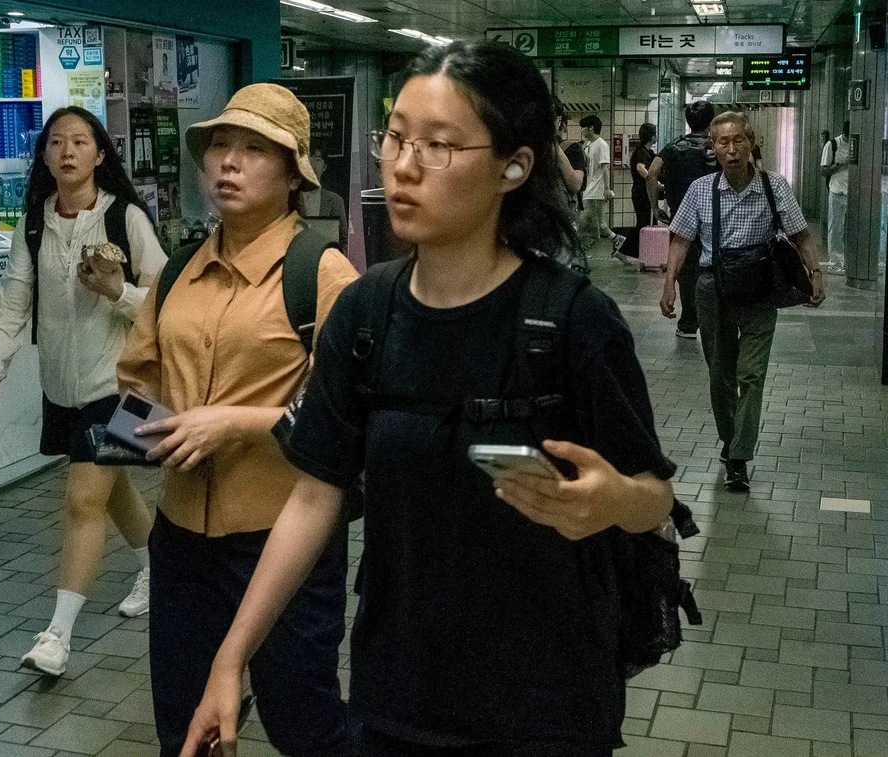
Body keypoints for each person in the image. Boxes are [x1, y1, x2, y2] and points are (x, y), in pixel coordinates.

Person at [179, 40, 677, 757]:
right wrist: (230, 660)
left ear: (515, 166)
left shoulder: (570, 320)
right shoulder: (365, 314)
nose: (404, 165)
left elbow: (655, 494)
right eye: (397, 137)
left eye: (439, 145)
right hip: (398, 699)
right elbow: (316, 495)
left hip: (548, 706)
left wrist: (610, 501)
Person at [116, 83, 359, 757]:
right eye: (221, 145)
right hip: (181, 542)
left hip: (284, 543)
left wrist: (236, 423)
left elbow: (347, 410)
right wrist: (158, 432)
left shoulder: (323, 273)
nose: (229, 161)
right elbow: (133, 382)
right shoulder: (178, 273)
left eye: (254, 149)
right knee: (185, 725)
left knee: (302, 720)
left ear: (292, 175)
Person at [0, 107, 167, 676]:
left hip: (122, 387)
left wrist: (118, 291)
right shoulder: (34, 223)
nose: (67, 151)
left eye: (80, 141)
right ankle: (159, 565)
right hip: (62, 388)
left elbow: (163, 301)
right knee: (108, 488)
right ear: (45, 157)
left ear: (99, 155)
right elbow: (14, 300)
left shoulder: (125, 217)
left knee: (84, 497)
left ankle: (57, 637)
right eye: (56, 142)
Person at [660, 111, 825, 491]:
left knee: (751, 376)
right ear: (713, 148)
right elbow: (681, 240)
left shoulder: (774, 187)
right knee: (720, 374)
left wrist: (816, 274)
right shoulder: (701, 190)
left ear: (750, 142)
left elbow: (800, 236)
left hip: (759, 291)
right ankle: (730, 438)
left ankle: (739, 456)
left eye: (738, 141)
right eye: (723, 142)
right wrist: (669, 284)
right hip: (712, 290)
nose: (731, 150)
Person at [647, 100, 717, 339]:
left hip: (681, 215)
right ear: (710, 122)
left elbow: (653, 173)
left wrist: (655, 207)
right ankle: (715, 320)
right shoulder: (714, 147)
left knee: (685, 269)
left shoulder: (672, 147)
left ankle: (688, 323)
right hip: (713, 217)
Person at [578, 114, 626, 255]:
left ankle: (583, 248)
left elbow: (605, 167)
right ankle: (617, 239)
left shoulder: (601, 145)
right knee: (599, 223)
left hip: (596, 191)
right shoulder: (588, 145)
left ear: (591, 128)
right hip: (589, 190)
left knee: (585, 221)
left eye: (583, 128)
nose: (582, 131)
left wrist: (606, 189)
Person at [613, 122, 657, 265]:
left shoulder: (646, 151)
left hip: (643, 193)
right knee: (644, 224)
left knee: (646, 223)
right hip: (642, 193)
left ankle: (641, 254)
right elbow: (640, 168)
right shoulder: (642, 152)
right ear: (652, 136)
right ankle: (625, 251)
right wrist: (653, 180)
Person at [552, 100, 586, 270]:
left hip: (559, 222)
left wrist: (553, 146)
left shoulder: (571, 149)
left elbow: (575, 184)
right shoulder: (526, 149)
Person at [301, 145, 349, 250]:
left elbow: (343, 240)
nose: (313, 165)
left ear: (325, 166)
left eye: (318, 160)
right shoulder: (287, 198)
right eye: (309, 160)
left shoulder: (335, 201)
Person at [820, 120, 849, 275]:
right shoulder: (832, 145)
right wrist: (838, 165)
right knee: (836, 228)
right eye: (847, 138)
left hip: (854, 192)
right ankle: (835, 262)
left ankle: (849, 259)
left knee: (850, 228)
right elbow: (823, 170)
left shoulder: (857, 144)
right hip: (837, 191)